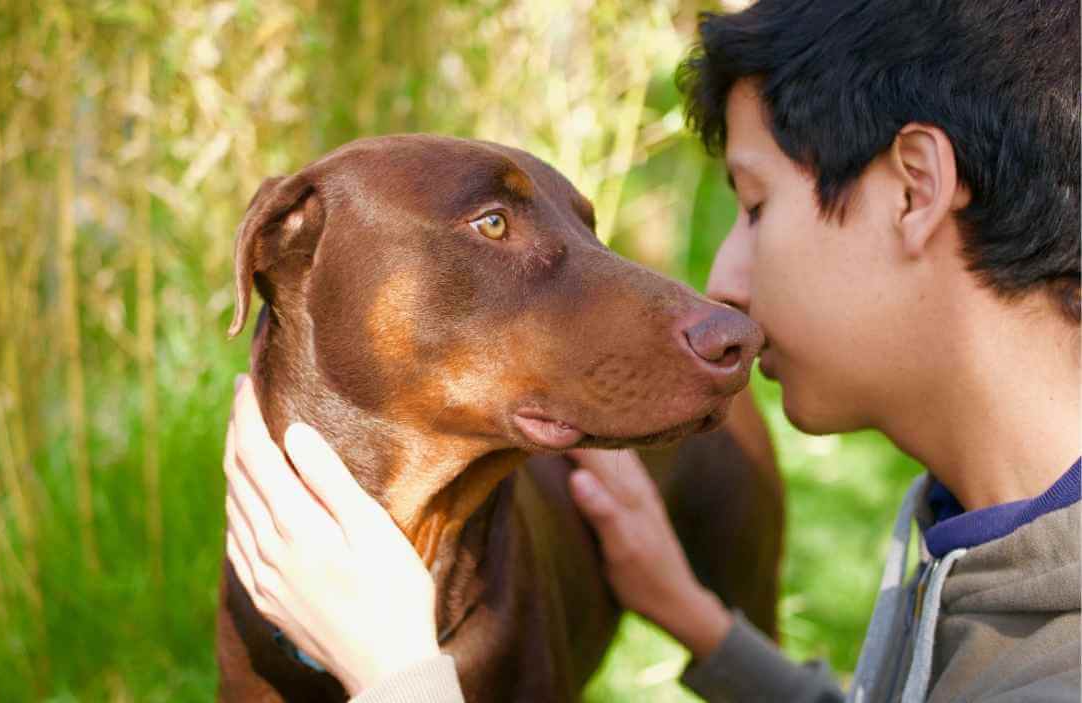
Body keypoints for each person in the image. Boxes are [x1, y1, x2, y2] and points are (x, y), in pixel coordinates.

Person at [222, 0, 1081, 701]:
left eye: (752, 205)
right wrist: (699, 621)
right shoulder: (964, 529)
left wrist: (399, 681)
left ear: (916, 189)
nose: (722, 290)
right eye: (494, 225)